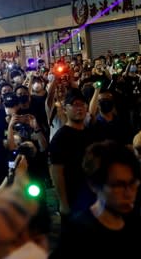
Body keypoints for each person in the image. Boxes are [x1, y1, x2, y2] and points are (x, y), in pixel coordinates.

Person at [51, 141, 141, 259]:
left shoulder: (137, 228)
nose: (128, 193)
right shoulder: (78, 232)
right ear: (94, 185)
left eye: (132, 183)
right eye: (118, 185)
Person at [49, 89, 95, 223]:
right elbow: (57, 172)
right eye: (75, 105)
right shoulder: (60, 137)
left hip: (91, 195)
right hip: (72, 196)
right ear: (65, 109)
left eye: (82, 105)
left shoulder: (90, 133)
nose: (79, 109)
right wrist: (63, 202)